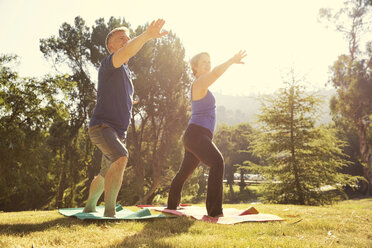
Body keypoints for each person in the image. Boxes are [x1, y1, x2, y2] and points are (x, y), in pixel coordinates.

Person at [83, 19, 168, 217]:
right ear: (111, 46)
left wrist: (131, 102)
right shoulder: (109, 64)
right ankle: (110, 211)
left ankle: (89, 206)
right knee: (121, 157)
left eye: (128, 38)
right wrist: (147, 35)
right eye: (122, 39)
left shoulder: (125, 72)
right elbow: (126, 52)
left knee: (105, 172)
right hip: (103, 127)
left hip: (117, 131)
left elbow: (120, 97)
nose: (127, 41)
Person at [167, 50, 246, 217]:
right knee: (218, 163)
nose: (208, 65)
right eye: (204, 62)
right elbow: (216, 73)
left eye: (209, 62)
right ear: (195, 67)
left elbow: (198, 105)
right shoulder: (199, 83)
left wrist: (192, 107)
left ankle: (172, 205)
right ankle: (214, 211)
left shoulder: (200, 86)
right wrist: (231, 60)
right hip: (196, 135)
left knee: (184, 172)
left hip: (195, 135)